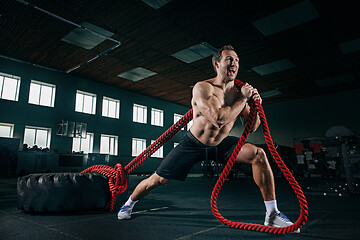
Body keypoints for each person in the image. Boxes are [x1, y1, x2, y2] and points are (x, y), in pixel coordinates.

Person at [118, 45, 298, 231]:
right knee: (158, 180)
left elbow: (251, 127)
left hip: (221, 144)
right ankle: (129, 203)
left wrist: (255, 105)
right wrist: (243, 100)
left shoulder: (238, 93)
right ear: (217, 63)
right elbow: (218, 119)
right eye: (229, 59)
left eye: (236, 60)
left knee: (258, 154)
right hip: (193, 143)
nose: (234, 63)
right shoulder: (204, 88)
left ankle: (272, 213)